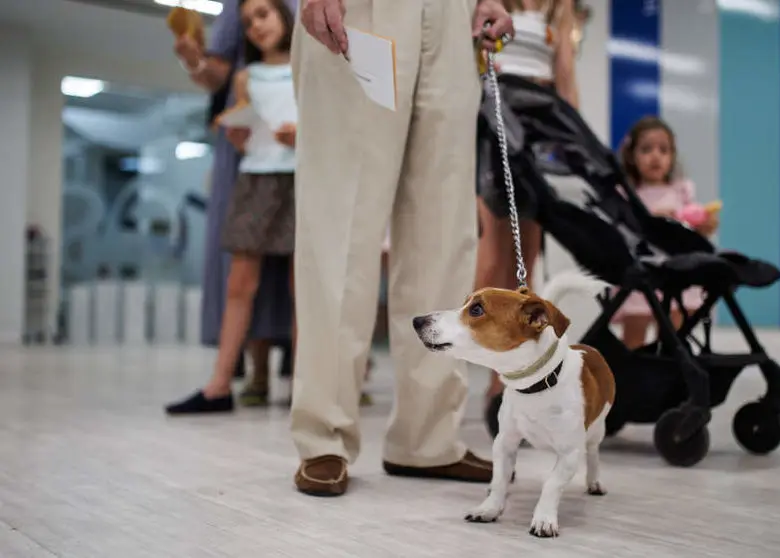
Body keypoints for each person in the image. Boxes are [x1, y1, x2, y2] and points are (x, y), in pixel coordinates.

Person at [289, 0, 514, 497]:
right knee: (341, 224)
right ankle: (323, 436)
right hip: (359, 10)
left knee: (443, 232)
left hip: (455, 18)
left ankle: (426, 438)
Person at [166, 0, 298, 414]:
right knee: (239, 284)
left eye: (264, 14)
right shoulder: (245, 77)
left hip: (301, 179)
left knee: (302, 290)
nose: (257, 25)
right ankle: (219, 383)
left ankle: (303, 385)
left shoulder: (311, 73)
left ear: (285, 15)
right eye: (248, 21)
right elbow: (240, 122)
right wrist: (238, 136)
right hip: (254, 180)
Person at [474, 0, 579, 411]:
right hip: (496, 124)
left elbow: (565, 74)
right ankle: (488, 369)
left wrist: (572, 136)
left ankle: (512, 372)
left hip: (538, 132)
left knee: (525, 262)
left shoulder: (560, 9)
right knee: (492, 257)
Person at [613, 116, 719, 349]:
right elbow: (620, 231)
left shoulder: (681, 190)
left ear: (672, 157)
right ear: (631, 156)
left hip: (675, 275)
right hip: (641, 275)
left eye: (664, 150)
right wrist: (652, 220)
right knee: (633, 337)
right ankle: (632, 379)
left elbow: (690, 230)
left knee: (674, 335)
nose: (655, 156)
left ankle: (669, 375)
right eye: (646, 149)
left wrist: (703, 227)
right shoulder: (627, 193)